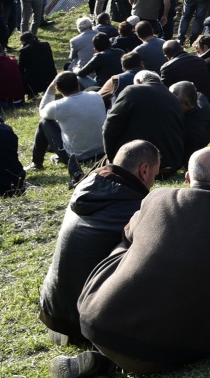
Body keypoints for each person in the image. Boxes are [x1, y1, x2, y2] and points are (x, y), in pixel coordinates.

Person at [54, 146, 210, 378]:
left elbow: (127, 235)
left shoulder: (156, 197)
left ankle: (109, 357)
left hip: (97, 324)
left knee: (127, 247)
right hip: (167, 351)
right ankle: (129, 354)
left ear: (188, 178)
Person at [38, 140, 160, 345]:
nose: (153, 183)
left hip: (53, 312)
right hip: (87, 323)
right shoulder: (134, 207)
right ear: (144, 170)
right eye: (155, 176)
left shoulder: (86, 187)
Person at [102, 74, 186, 178]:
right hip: (170, 167)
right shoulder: (174, 98)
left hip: (137, 168)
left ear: (138, 81)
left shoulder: (132, 91)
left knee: (99, 169)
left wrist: (111, 158)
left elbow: (110, 127)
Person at [33, 71, 107, 181]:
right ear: (78, 84)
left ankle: (36, 163)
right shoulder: (96, 96)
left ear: (58, 89)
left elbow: (42, 110)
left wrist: (51, 89)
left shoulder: (57, 106)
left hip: (76, 157)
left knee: (44, 122)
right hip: (103, 150)